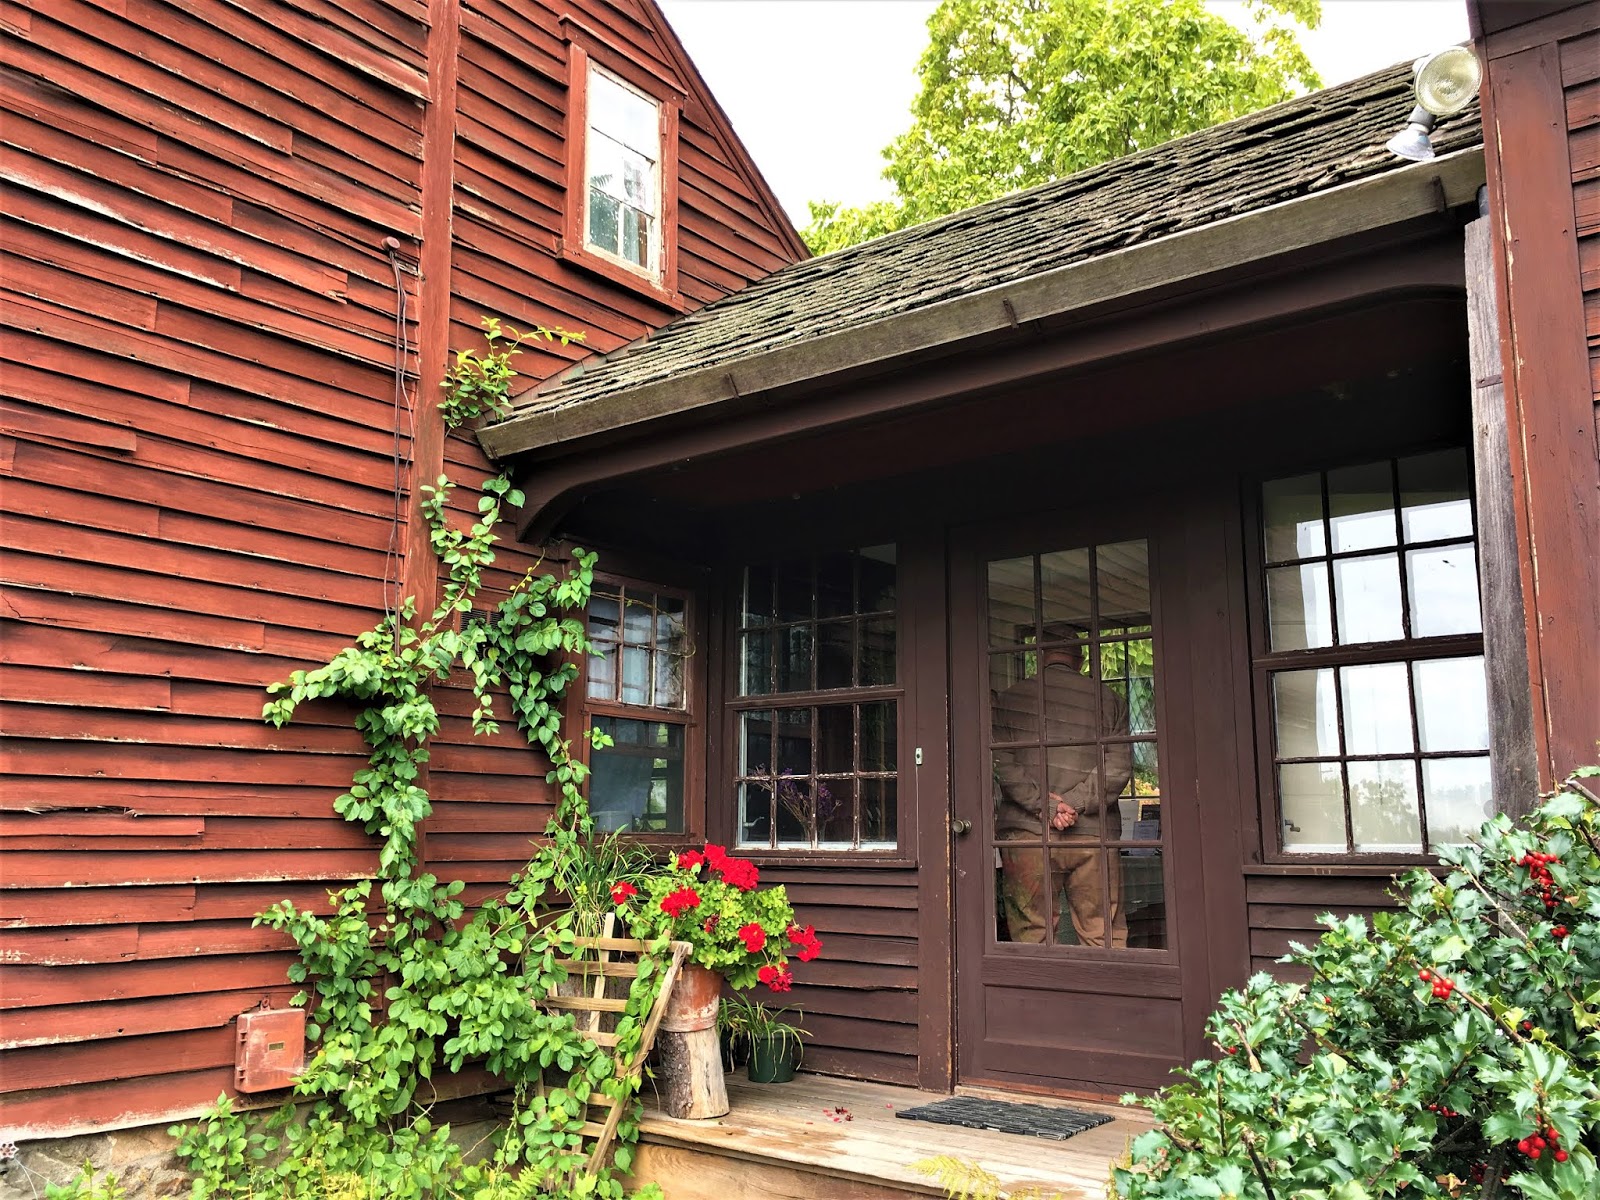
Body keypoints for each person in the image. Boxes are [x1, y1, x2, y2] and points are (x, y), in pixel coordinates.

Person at [992, 629, 1133, 947]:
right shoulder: (1109, 699)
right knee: (1102, 933)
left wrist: (1047, 805)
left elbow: (1000, 762)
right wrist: (1073, 802)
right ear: (1081, 659)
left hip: (1026, 833)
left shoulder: (1011, 699)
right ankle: (1108, 995)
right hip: (1092, 833)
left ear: (1041, 656)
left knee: (1032, 932)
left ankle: (1036, 995)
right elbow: (1119, 766)